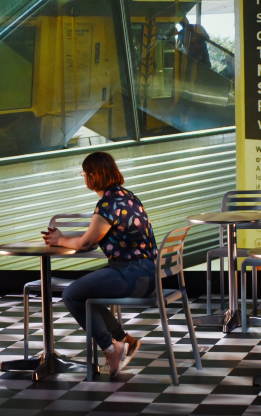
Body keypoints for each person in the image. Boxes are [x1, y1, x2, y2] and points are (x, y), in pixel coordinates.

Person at [41, 152, 158, 377]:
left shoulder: (108, 204)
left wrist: (58, 240)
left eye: (84, 174)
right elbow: (92, 240)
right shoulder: (127, 195)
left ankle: (110, 348)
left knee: (72, 295)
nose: (84, 178)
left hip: (133, 275)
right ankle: (125, 341)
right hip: (147, 273)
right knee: (86, 292)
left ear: (93, 176)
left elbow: (86, 242)